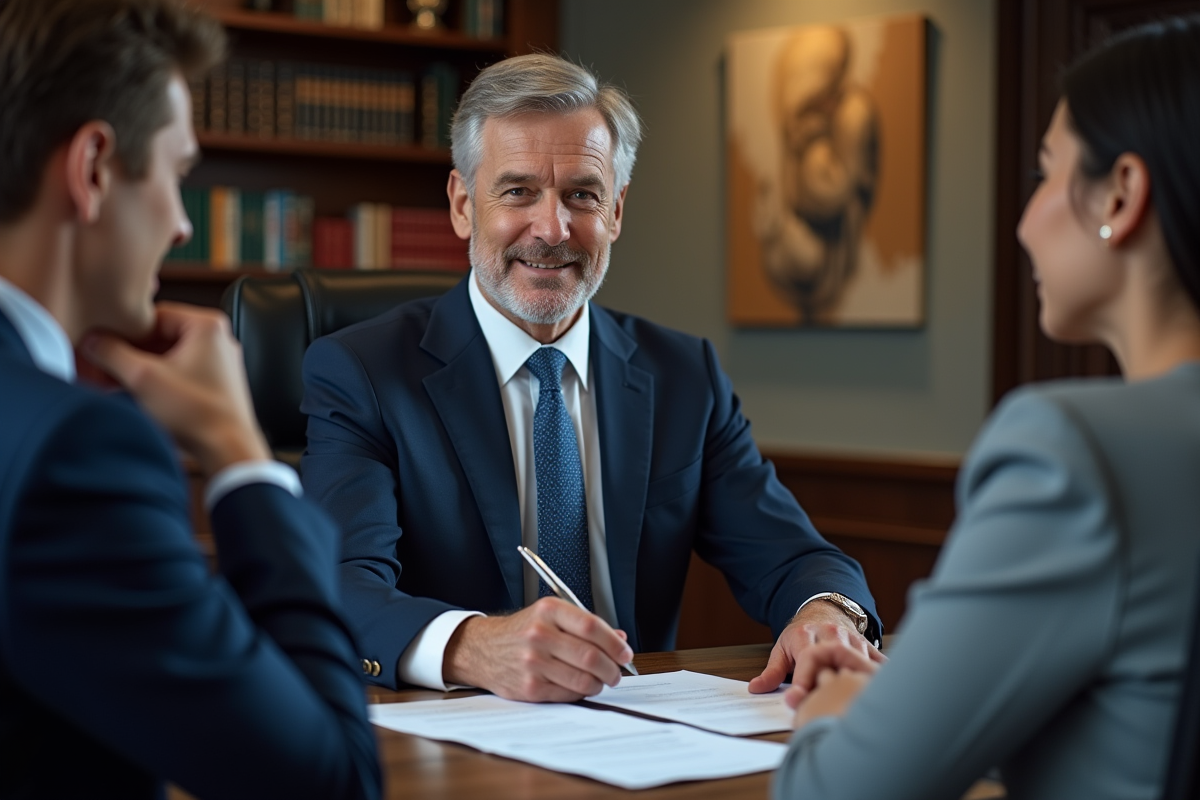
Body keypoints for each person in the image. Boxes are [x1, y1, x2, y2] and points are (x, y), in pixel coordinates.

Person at [300, 52, 882, 704]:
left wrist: (826, 615)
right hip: (451, 731)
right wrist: (475, 646)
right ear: (463, 205)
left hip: (640, 730)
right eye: (518, 192)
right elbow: (340, 584)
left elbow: (795, 556)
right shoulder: (363, 373)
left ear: (617, 210)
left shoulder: (683, 376)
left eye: (582, 194)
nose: (553, 229)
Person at [774, 15, 1200, 800]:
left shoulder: (1073, 454)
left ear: (1121, 192)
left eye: (1046, 173)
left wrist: (836, 710)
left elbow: (836, 790)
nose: (1025, 223)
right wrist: (917, 699)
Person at [0, 1, 380, 797]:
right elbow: (330, 781)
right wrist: (240, 453)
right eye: (177, 175)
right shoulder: (75, 452)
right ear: (93, 168)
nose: (180, 226)